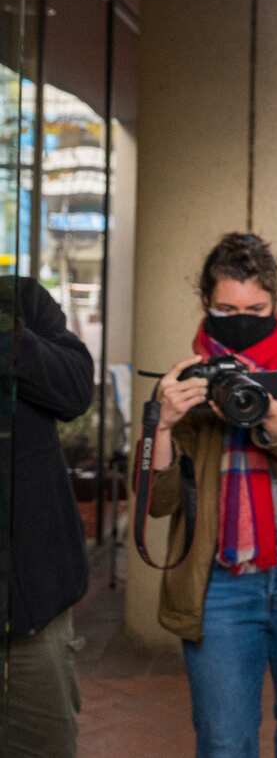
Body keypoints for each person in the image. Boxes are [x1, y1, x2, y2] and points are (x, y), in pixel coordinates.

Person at [145, 233, 277, 757]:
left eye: (255, 308)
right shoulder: (186, 381)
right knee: (223, 742)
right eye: (226, 308)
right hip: (219, 580)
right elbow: (159, 503)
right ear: (206, 305)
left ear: (275, 303)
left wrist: (271, 412)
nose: (241, 319)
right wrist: (165, 425)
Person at [1, 278, 94, 757]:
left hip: (32, 603)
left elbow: (76, 390)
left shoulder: (21, 301)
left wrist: (12, 338)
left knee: (42, 743)